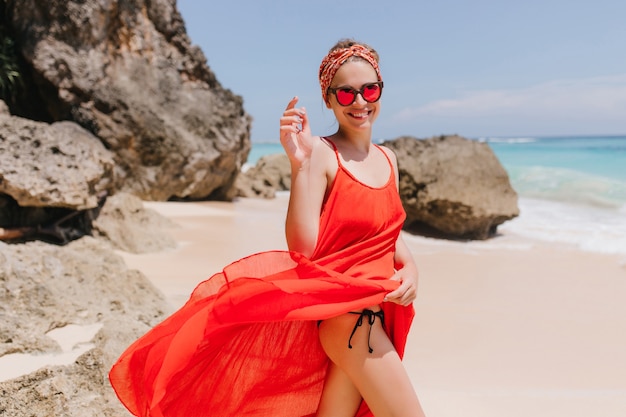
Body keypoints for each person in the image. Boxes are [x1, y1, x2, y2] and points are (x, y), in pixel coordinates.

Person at [109, 39, 425, 417]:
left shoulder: (389, 158)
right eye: (346, 93)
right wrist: (299, 166)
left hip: (375, 317)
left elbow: (388, 231)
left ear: (381, 90)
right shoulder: (323, 154)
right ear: (328, 99)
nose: (360, 102)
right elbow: (303, 250)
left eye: (370, 89)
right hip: (351, 325)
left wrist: (412, 269)